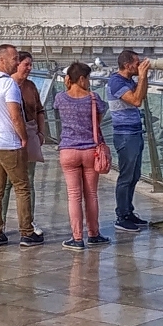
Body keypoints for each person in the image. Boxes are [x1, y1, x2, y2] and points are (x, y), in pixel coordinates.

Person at [0, 44, 43, 248]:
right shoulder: (9, 85)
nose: (17, 62)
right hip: (9, 143)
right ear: (1, 60)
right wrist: (24, 138)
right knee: (22, 187)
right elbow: (15, 115)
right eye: (14, 58)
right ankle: (27, 232)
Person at [54, 61, 109, 250]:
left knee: (74, 195)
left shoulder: (61, 98)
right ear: (83, 78)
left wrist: (67, 85)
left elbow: (56, 109)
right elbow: (98, 122)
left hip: (68, 150)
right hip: (90, 151)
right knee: (91, 194)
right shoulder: (94, 98)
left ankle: (77, 238)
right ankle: (93, 233)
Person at [106, 49, 152, 232]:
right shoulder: (116, 81)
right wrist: (141, 77)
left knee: (134, 175)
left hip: (134, 132)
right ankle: (121, 216)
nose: (139, 65)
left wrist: (143, 77)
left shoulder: (128, 81)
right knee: (126, 176)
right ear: (127, 65)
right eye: (136, 62)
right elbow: (136, 101)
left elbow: (142, 95)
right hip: (125, 135)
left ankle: (128, 211)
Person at [1, 51, 45, 235]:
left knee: (28, 181)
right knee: (6, 184)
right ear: (17, 64)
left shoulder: (31, 87)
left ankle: (29, 221)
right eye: (26, 64)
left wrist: (41, 133)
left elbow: (40, 110)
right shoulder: (5, 85)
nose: (29, 68)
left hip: (29, 137)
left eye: (30, 65)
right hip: (8, 140)